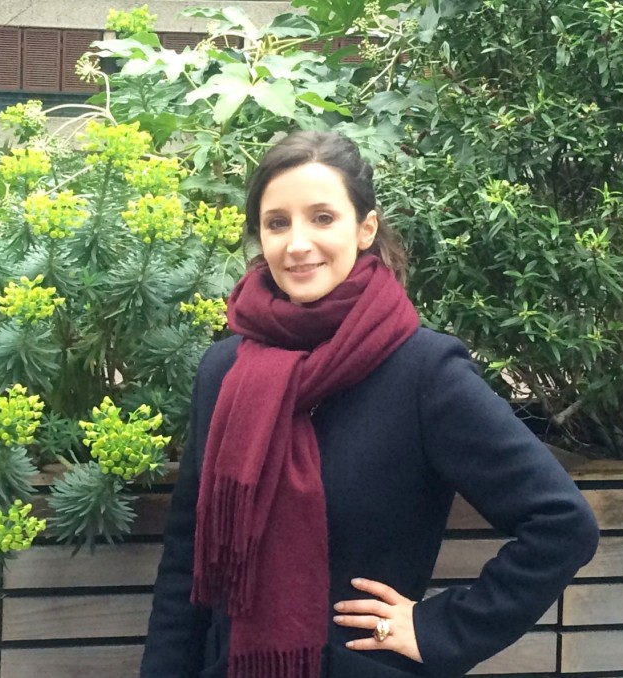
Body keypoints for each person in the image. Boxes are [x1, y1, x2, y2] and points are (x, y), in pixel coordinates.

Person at [141, 130, 599, 678]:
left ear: (365, 228)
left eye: (322, 218)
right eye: (277, 223)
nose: (298, 243)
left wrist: (441, 630)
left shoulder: (424, 371)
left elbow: (561, 524)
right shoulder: (225, 371)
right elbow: (187, 560)